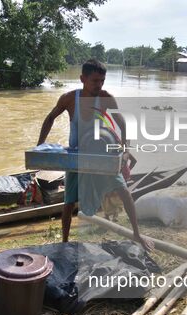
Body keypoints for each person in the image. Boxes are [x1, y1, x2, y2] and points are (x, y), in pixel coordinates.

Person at [37, 59, 153, 251]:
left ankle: (137, 234)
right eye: (95, 81)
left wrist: (126, 149)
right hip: (77, 157)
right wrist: (40, 145)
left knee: (124, 191)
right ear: (82, 78)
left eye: (102, 80)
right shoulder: (68, 99)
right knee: (68, 202)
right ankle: (65, 243)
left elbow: (122, 123)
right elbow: (50, 118)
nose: (99, 85)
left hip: (102, 155)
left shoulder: (106, 98)